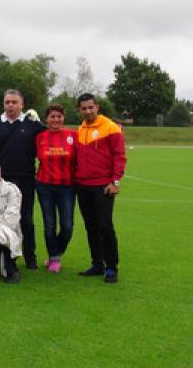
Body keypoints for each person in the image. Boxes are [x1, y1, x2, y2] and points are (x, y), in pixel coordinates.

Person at [0, 89, 46, 269]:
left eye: (14, 102)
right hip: (0, 180)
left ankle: (30, 257)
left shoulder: (32, 123)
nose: (10, 105)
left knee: (26, 219)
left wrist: (39, 120)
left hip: (25, 178)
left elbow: (51, 133)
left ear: (22, 104)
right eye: (7, 102)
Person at [75, 93, 126, 283]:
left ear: (97, 107)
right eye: (84, 108)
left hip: (103, 186)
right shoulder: (80, 129)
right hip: (83, 186)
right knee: (91, 227)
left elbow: (120, 156)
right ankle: (97, 264)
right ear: (79, 110)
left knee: (105, 226)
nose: (88, 111)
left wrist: (115, 182)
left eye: (91, 107)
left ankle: (111, 267)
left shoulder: (111, 127)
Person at [35, 104, 77, 273]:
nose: (55, 119)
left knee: (67, 226)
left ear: (63, 118)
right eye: (52, 116)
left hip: (67, 187)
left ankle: (57, 251)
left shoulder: (73, 136)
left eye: (59, 116)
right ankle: (54, 258)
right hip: (45, 186)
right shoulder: (40, 137)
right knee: (49, 224)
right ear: (46, 119)